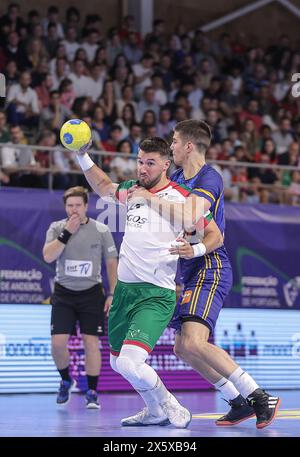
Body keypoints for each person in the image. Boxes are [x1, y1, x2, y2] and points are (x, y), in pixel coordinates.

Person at [128, 120, 281, 429]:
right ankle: (237, 402)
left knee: (195, 342)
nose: (169, 146)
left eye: (173, 141)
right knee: (182, 347)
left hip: (210, 265)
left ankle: (259, 396)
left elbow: (194, 220)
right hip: (183, 270)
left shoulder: (209, 178)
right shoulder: (173, 178)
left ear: (188, 145)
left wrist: (149, 199)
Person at [74, 136, 223, 428]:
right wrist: (82, 156)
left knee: (130, 362)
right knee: (118, 363)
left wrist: (195, 249)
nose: (143, 168)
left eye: (150, 163)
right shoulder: (132, 189)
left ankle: (169, 403)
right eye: (140, 161)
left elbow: (215, 234)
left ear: (166, 165)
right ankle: (154, 411)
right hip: (124, 293)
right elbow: (104, 187)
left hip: (156, 295)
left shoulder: (183, 196)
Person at [42, 186, 118, 409]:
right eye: (69, 206)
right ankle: (66, 379)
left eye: (78, 205)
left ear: (86, 206)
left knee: (91, 343)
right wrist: (67, 232)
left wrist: (112, 292)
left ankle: (92, 391)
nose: (74, 210)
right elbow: (48, 256)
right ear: (65, 207)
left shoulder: (101, 230)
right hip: (64, 293)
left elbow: (111, 262)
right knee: (57, 344)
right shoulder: (56, 228)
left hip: (91, 294)